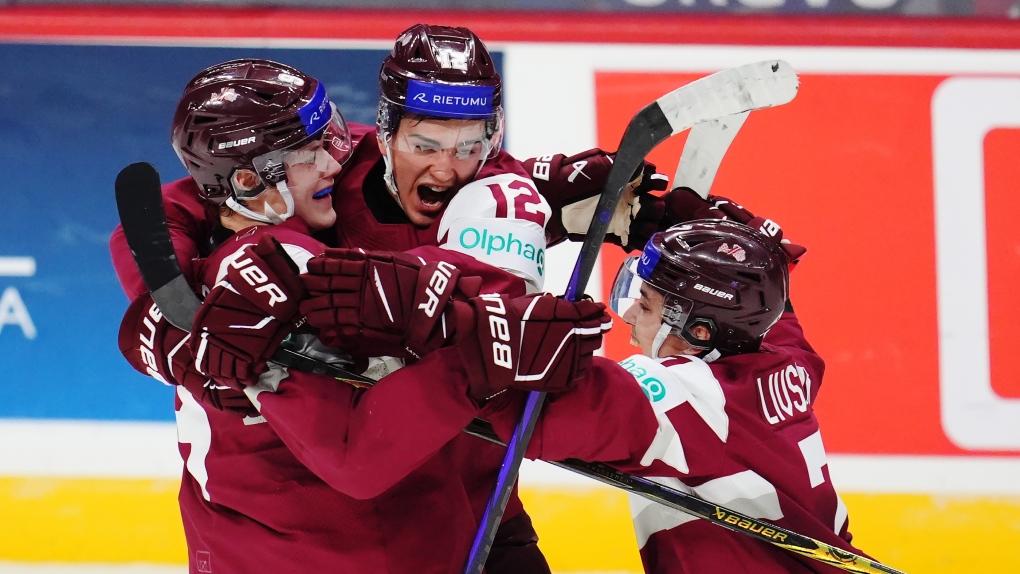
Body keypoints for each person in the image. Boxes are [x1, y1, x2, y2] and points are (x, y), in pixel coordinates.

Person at [112, 23, 669, 573]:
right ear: (389, 131)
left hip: (461, 512)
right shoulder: (256, 273)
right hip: (290, 545)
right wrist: (169, 311)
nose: (448, 166)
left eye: (472, 141)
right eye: (425, 143)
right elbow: (356, 453)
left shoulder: (479, 187)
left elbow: (498, 303)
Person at [327, 201, 869, 572]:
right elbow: (779, 309)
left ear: (698, 332)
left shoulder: (681, 398)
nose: (631, 313)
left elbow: (537, 415)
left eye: (650, 305)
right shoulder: (783, 360)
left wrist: (441, 333)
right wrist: (746, 243)